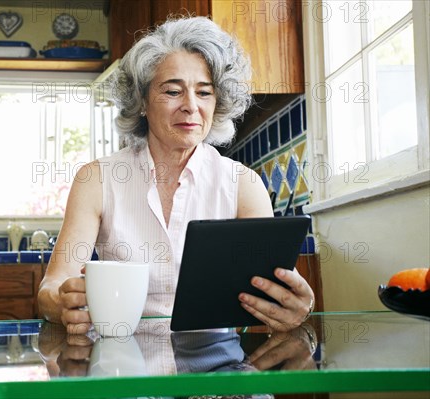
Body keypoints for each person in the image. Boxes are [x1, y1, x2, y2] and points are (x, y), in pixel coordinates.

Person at [37, 16, 314, 335]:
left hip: (216, 374)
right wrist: (61, 302)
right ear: (141, 101)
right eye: (172, 91)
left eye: (205, 93)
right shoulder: (97, 179)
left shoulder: (244, 184)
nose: (191, 106)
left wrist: (297, 308)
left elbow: (273, 295)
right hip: (125, 364)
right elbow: (52, 287)